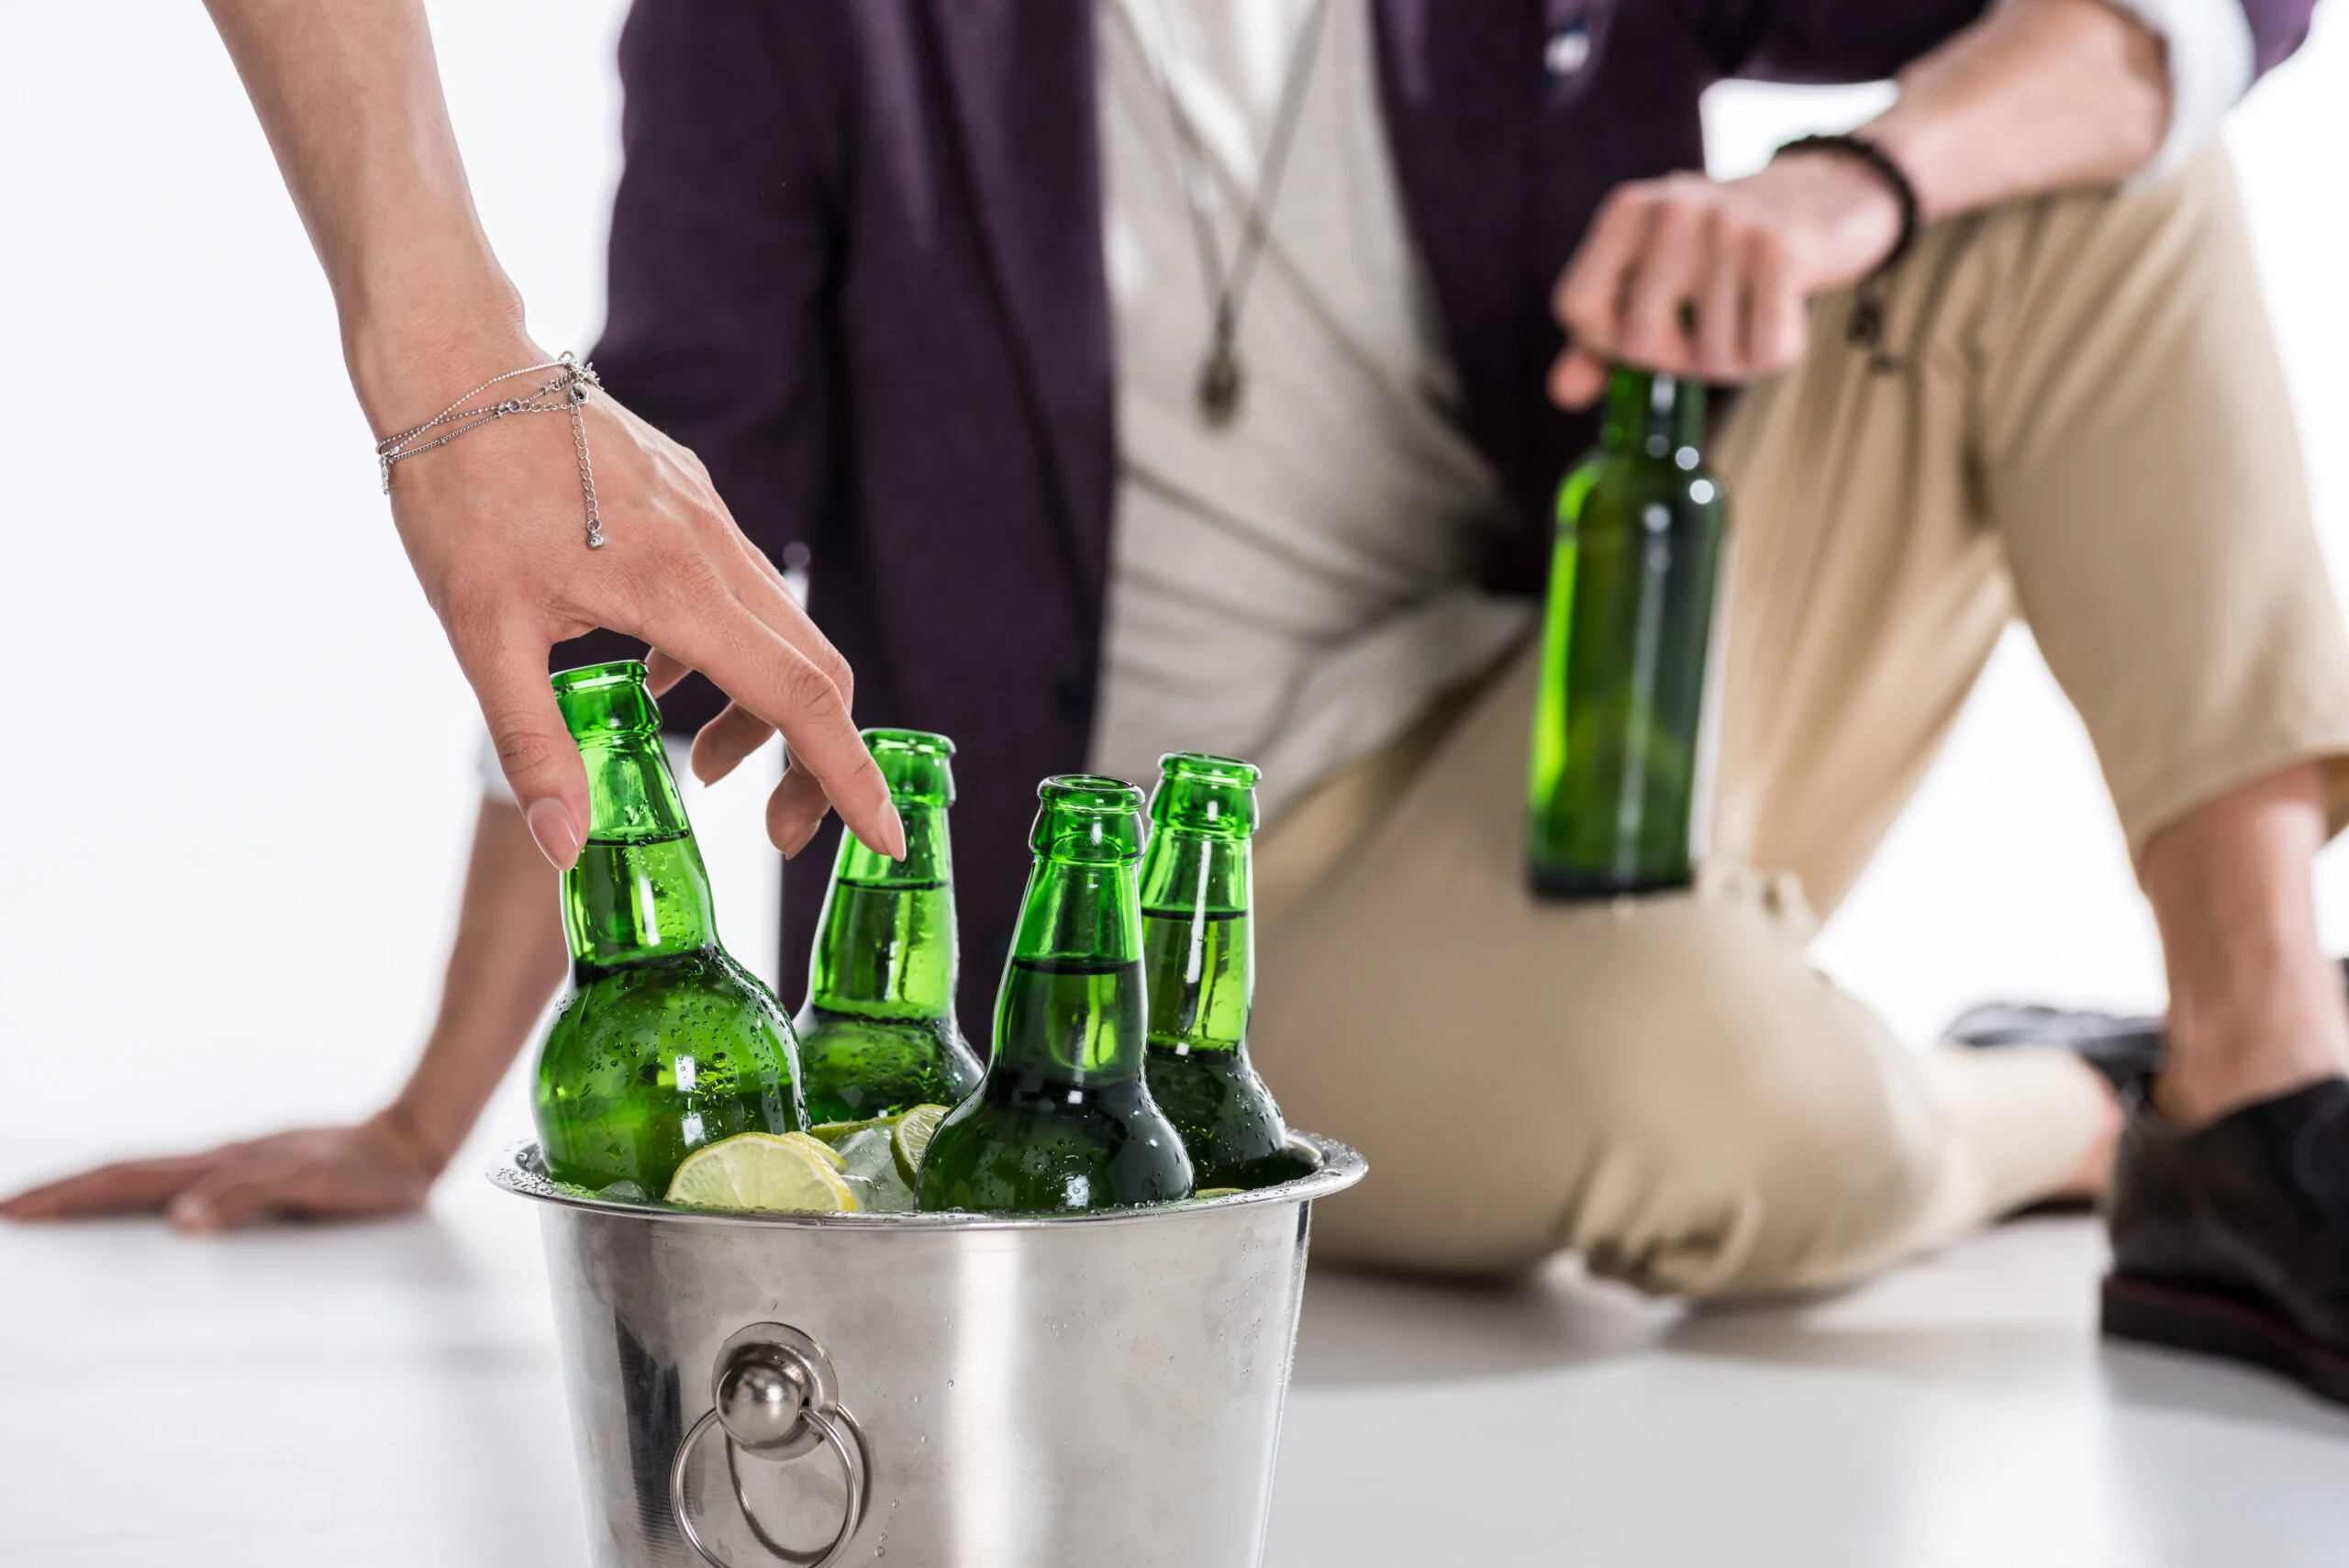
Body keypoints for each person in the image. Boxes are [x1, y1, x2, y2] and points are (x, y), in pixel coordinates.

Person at [12, 0, 2349, 1404]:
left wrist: (1849, 180)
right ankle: (2077, 1105)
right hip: (1183, 920)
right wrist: (429, 1106)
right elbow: (628, 529)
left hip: (1581, 701)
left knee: (2098, 172)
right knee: (1737, 1120)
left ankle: (2260, 1083)